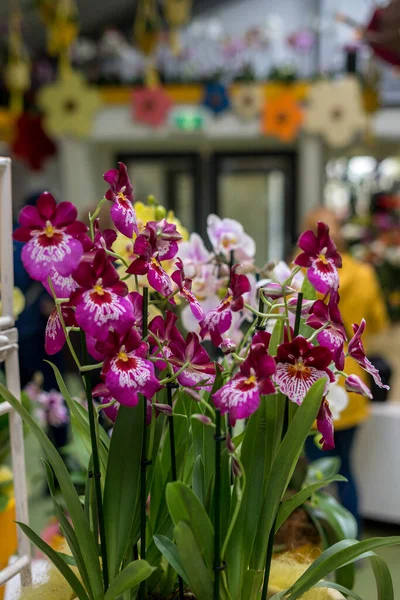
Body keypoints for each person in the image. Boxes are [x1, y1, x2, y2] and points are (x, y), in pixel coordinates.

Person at [303, 207, 389, 534]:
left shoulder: (303, 278)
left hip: (313, 379)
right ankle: (351, 544)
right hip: (351, 380)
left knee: (316, 475)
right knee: (346, 469)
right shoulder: (365, 274)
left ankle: (324, 547)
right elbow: (378, 324)